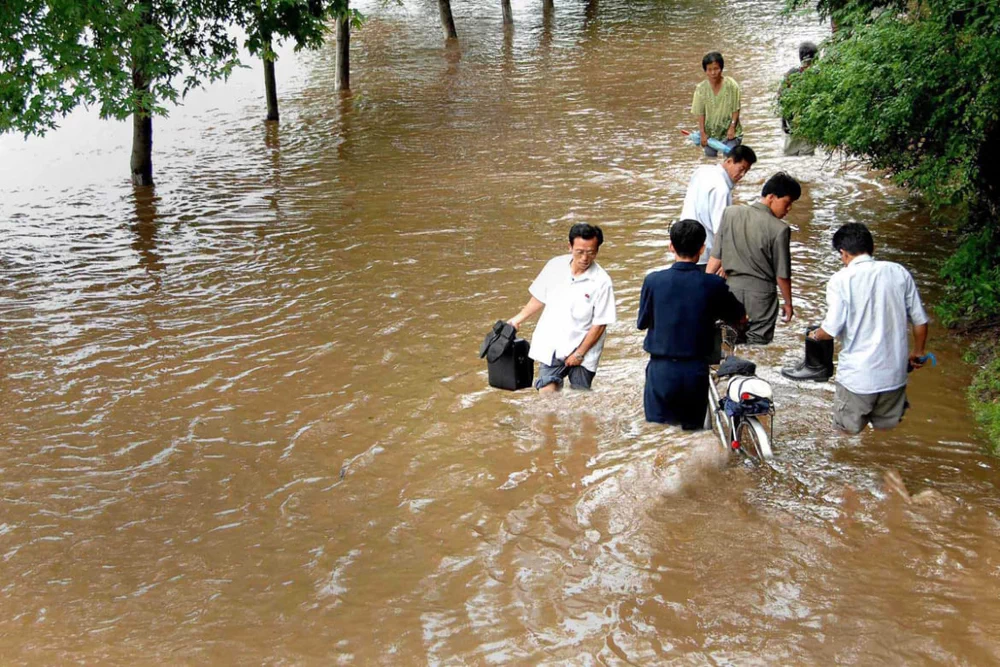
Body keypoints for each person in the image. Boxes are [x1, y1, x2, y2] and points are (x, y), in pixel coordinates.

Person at [808, 223, 930, 434]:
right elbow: (920, 321)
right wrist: (918, 352)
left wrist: (814, 334)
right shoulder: (899, 272)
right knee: (887, 431)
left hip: (858, 380)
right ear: (871, 248)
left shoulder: (840, 280)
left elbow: (830, 330)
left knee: (844, 434)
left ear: (843, 253)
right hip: (894, 378)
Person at [638, 220, 746, 428]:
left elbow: (643, 322)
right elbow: (737, 316)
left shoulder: (653, 281)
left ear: (671, 246)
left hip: (660, 370)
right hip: (694, 371)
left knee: (657, 433)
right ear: (702, 248)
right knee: (692, 433)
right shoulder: (714, 284)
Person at [508, 223, 617, 392]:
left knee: (580, 400)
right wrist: (518, 319)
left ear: (597, 250)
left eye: (591, 253)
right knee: (547, 398)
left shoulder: (602, 281)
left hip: (584, 351)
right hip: (553, 344)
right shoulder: (555, 266)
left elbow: (600, 324)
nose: (584, 258)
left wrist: (579, 354)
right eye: (579, 252)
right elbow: (539, 297)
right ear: (570, 247)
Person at [705, 172, 800, 345]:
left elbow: (715, 257)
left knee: (728, 343)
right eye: (787, 203)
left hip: (729, 292)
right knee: (757, 348)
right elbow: (782, 274)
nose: (789, 209)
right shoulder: (780, 229)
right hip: (761, 297)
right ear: (771, 197)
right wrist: (788, 303)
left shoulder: (731, 213)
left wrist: (705, 290)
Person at [679, 145, 758, 269]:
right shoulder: (722, 190)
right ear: (729, 161)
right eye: (741, 169)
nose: (742, 175)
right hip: (704, 254)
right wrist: (725, 262)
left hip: (682, 246)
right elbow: (721, 231)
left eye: (746, 171)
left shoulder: (702, 171)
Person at [691, 52, 743, 158]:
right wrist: (702, 133)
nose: (713, 73)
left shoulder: (731, 85)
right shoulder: (701, 89)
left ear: (721, 69)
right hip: (710, 133)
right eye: (709, 69)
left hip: (730, 131)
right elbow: (700, 113)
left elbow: (735, 109)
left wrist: (732, 127)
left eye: (716, 69)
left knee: (729, 156)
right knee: (710, 158)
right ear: (705, 71)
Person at [780, 41, 818, 156]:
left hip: (796, 124)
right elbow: (782, 97)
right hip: (798, 124)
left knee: (792, 154)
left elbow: (781, 99)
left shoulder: (791, 74)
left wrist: (784, 122)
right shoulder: (816, 75)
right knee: (805, 155)